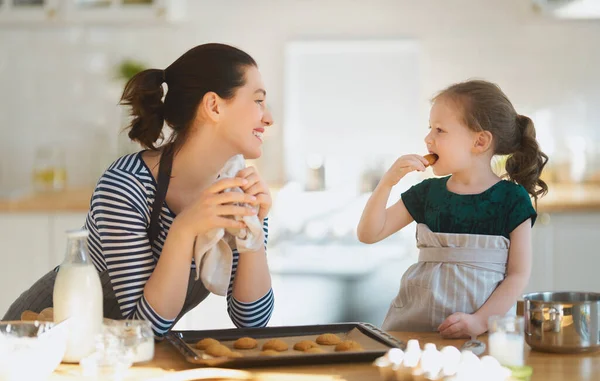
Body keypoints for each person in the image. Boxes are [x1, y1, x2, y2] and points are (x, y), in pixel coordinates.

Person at [3, 43, 275, 337]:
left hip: (121, 352)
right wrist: (183, 230)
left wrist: (254, 233)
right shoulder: (126, 184)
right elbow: (144, 328)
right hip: (42, 338)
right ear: (214, 106)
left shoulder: (237, 188)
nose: (268, 117)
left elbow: (252, 322)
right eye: (258, 101)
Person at [357, 79, 548, 338]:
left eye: (439, 130)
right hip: (414, 333)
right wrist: (387, 182)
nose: (428, 138)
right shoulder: (426, 194)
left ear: (479, 142)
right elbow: (369, 233)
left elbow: (517, 275)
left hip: (482, 336)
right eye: (429, 128)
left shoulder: (512, 200)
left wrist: (479, 322)